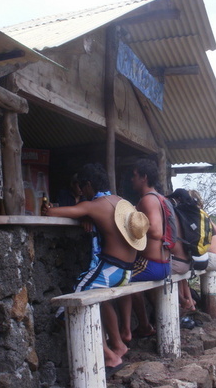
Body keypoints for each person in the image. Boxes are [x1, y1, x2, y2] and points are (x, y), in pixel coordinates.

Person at [41, 163, 149, 371]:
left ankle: (109, 357)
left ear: (88, 185)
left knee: (69, 310)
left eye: (82, 188)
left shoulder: (95, 205)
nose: (82, 192)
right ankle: (118, 345)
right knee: (101, 301)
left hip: (109, 269)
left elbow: (54, 212)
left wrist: (53, 208)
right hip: (126, 271)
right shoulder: (121, 202)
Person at [119, 158, 171, 342]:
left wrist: (133, 225)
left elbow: (156, 231)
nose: (131, 180)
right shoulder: (162, 199)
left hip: (151, 263)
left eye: (134, 176)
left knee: (121, 279)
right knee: (130, 282)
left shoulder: (148, 200)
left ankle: (131, 329)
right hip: (164, 264)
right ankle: (145, 324)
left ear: (144, 177)